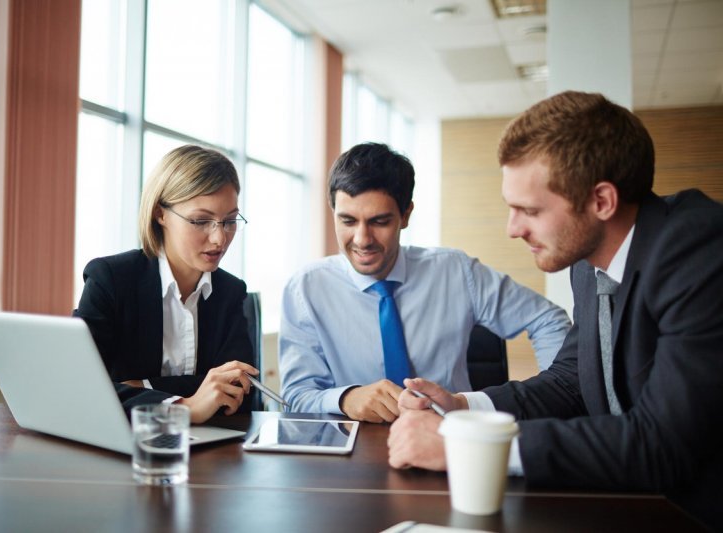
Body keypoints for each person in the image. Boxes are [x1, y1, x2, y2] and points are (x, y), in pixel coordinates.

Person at [387, 91, 723, 529]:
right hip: (631, 500)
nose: (513, 229)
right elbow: (572, 383)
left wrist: (468, 447)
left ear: (601, 201)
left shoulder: (699, 250)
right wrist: (463, 406)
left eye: (529, 210)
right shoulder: (588, 266)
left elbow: (662, 444)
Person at [279, 142, 571, 422]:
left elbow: (548, 320)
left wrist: (553, 396)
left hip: (449, 437)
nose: (362, 239)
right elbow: (296, 395)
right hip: (355, 451)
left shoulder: (456, 271)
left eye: (379, 222)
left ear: (405, 215)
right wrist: (346, 399)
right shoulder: (305, 289)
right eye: (348, 221)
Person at [75, 144, 258, 424]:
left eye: (230, 221)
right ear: (161, 214)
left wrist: (140, 386)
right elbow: (81, 386)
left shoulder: (230, 291)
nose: (219, 238)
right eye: (201, 220)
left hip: (211, 452)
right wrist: (184, 405)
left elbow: (238, 391)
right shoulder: (111, 279)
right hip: (127, 448)